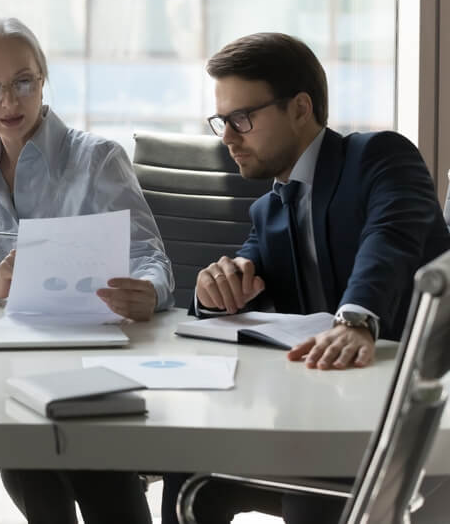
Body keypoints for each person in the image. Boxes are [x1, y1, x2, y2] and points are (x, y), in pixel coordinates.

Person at [162, 32, 450, 524]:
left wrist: (356, 319)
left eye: (241, 118)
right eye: (221, 121)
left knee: (307, 496)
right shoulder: (268, 211)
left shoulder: (379, 158)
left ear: (300, 108)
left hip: (405, 413)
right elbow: (240, 279)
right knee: (182, 468)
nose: (228, 137)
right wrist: (215, 290)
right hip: (321, 403)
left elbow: (391, 239)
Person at [0, 16, 174, 524]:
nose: (9, 102)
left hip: (90, 362)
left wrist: (148, 290)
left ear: (43, 80)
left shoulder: (98, 159)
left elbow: (151, 257)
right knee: (23, 441)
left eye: (23, 82)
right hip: (5, 366)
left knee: (84, 462)